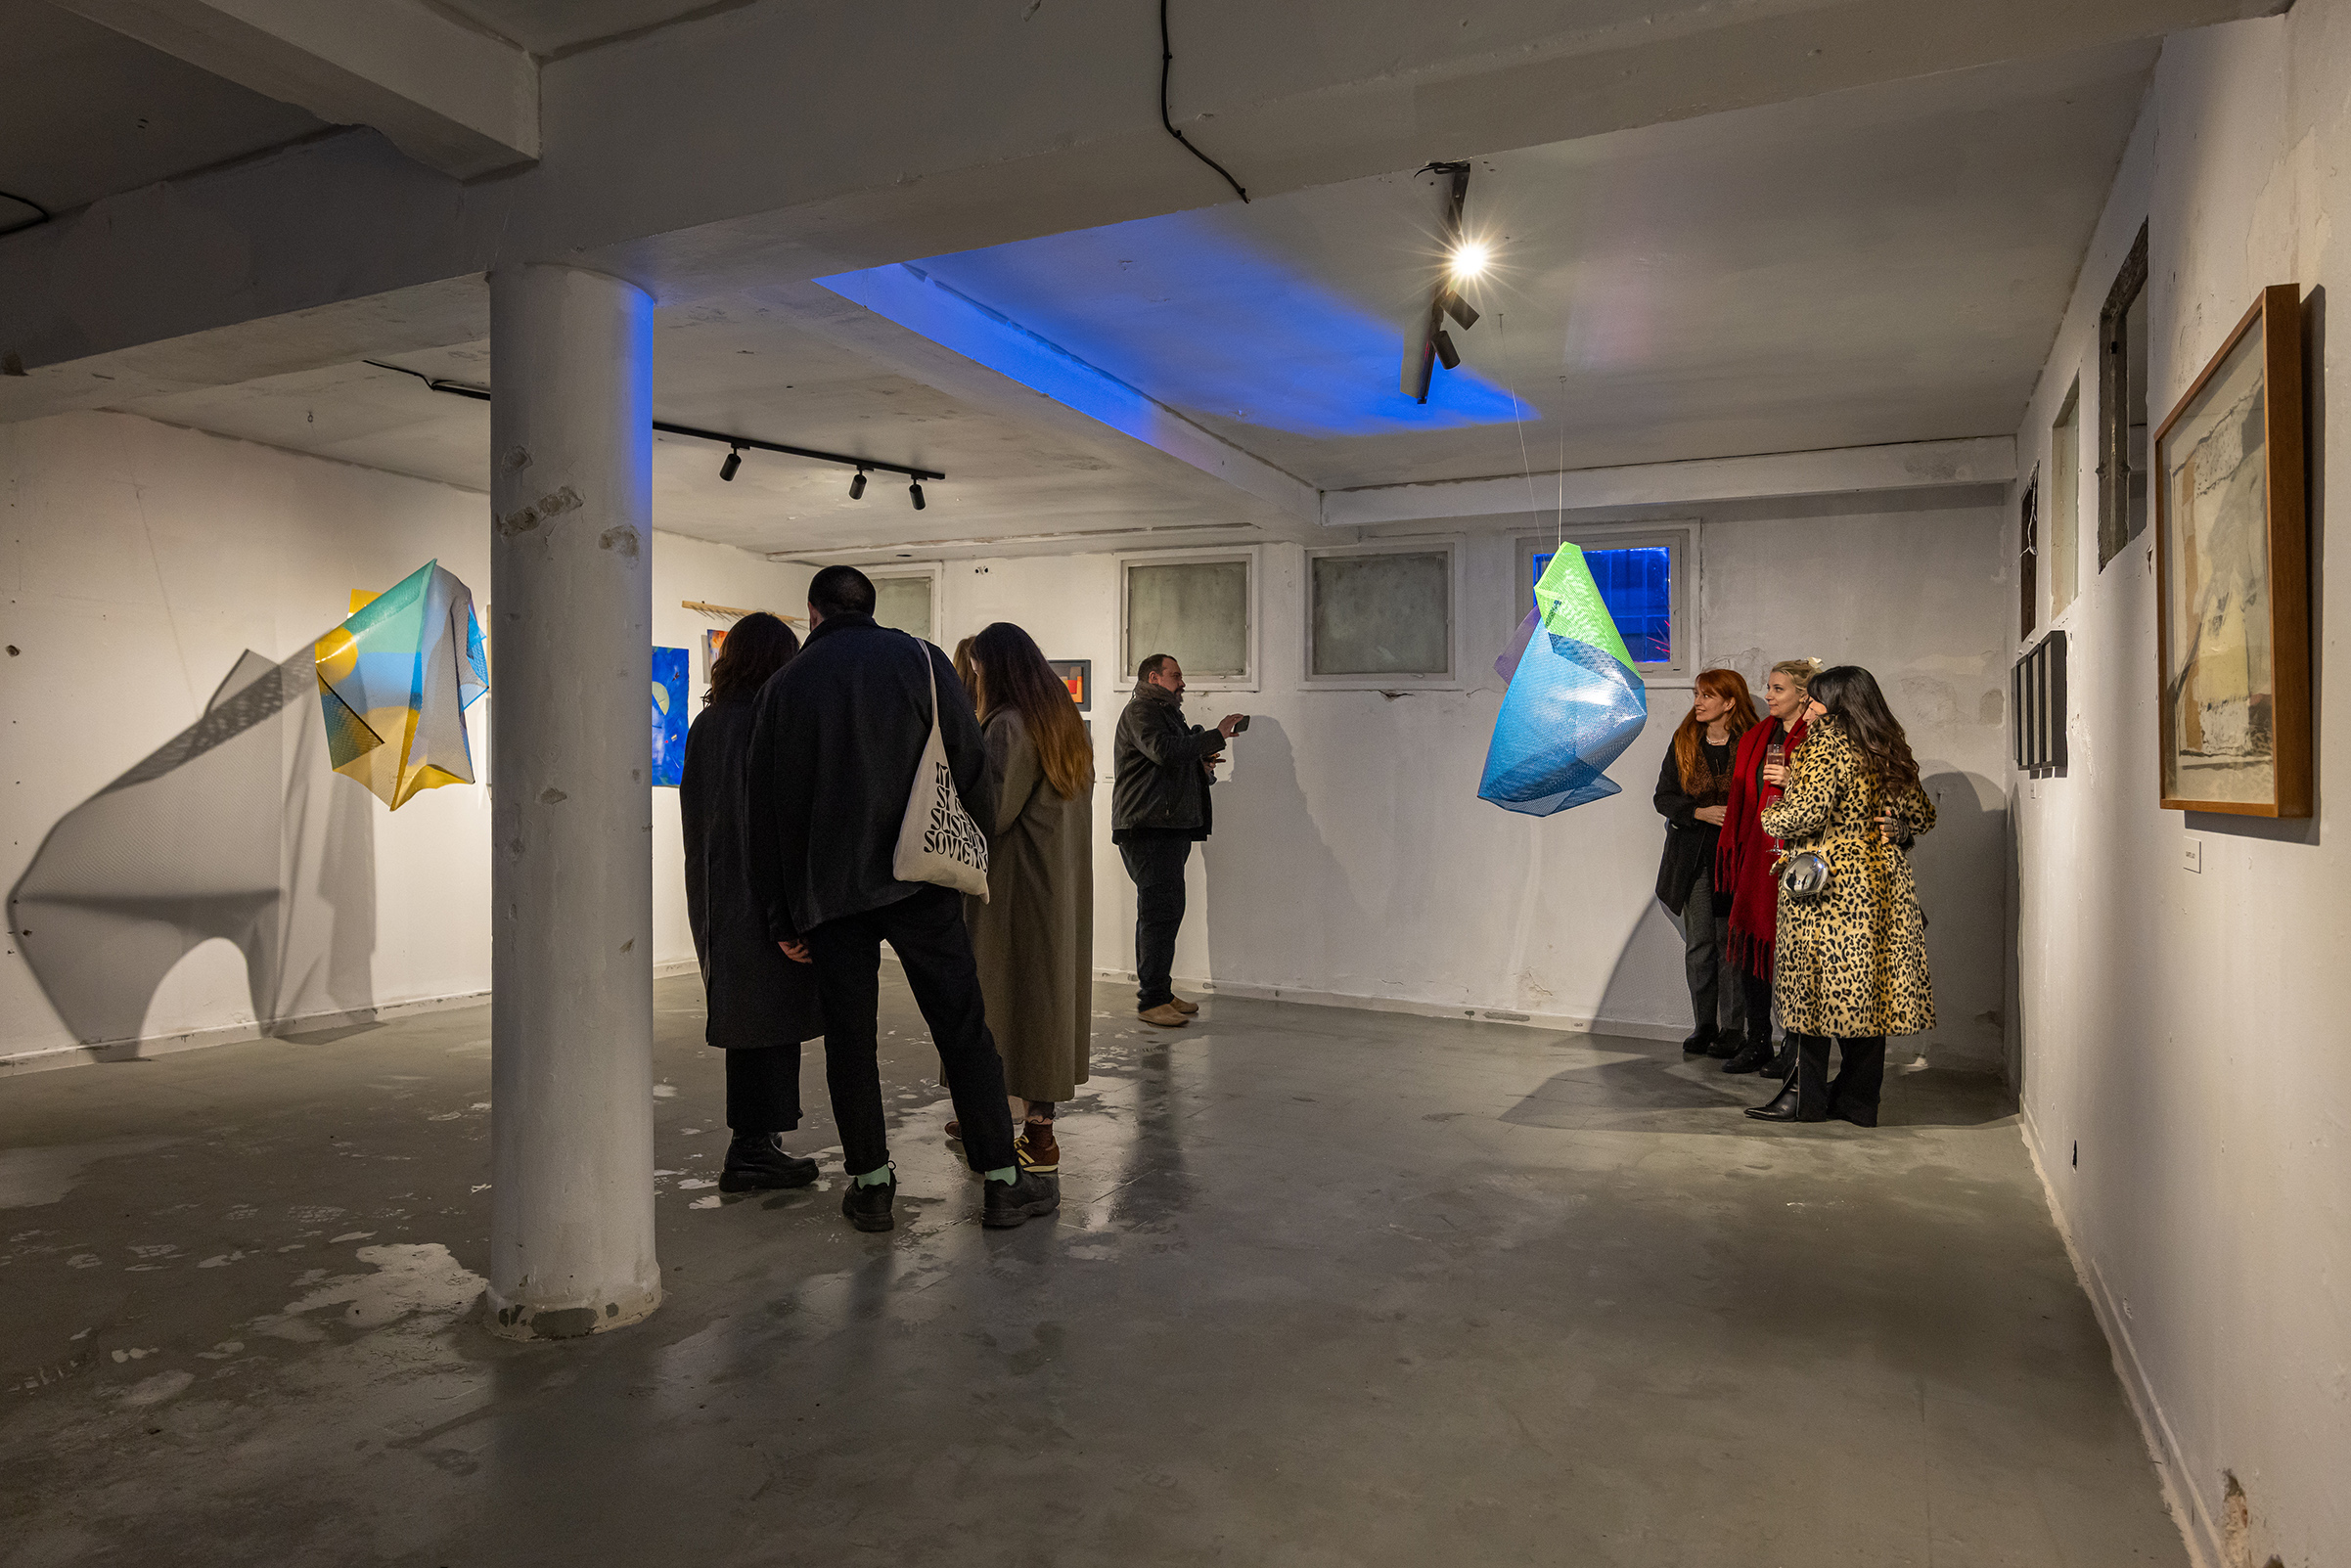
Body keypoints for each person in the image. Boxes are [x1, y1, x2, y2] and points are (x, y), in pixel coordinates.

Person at [745, 565, 1060, 1232]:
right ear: (870, 605)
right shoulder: (921, 660)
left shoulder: (783, 686)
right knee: (963, 1028)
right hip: (920, 878)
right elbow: (971, 764)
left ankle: (871, 1186)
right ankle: (1002, 1181)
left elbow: (764, 813)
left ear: (813, 612)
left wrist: (781, 913)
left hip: (830, 891)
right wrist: (970, 847)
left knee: (850, 1042)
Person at [1747, 665, 1936, 1125]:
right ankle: (1858, 1102)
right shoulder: (1887, 745)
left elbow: (1804, 816)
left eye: (1815, 699)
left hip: (1829, 889)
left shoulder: (1827, 743)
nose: (1809, 708)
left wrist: (1772, 811)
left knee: (1811, 993)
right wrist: (1899, 829)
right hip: (1881, 888)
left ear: (1835, 704)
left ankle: (1803, 1100)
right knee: (1866, 995)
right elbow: (1923, 816)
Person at [680, 612, 827, 1192]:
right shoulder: (767, 723)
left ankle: (758, 1140)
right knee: (767, 1023)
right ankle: (750, 1150)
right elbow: (775, 824)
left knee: (752, 1020)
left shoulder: (708, 723)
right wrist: (786, 916)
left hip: (719, 896)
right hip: (762, 897)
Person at [949, 622, 1094, 1175]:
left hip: (1013, 890)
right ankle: (1019, 1121)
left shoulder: (1009, 725)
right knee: (1044, 1003)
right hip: (1055, 888)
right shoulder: (1062, 721)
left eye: (978, 669)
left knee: (997, 1000)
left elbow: (991, 811)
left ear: (995, 669)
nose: (976, 678)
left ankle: (1026, 1133)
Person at [1110, 654, 1243, 1027]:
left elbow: (1170, 759)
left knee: (1167, 912)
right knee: (1158, 913)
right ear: (1154, 677)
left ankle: (1161, 992)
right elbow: (1164, 751)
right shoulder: (1141, 711)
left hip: (1166, 826)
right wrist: (1216, 735)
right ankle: (1151, 1001)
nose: (1182, 683)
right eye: (1176, 675)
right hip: (1147, 827)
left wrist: (1200, 766)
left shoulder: (1166, 713)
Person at [1713, 658, 1820, 1076]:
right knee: (1751, 946)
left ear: (1803, 695)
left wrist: (1796, 780)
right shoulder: (1757, 737)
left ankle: (1794, 1047)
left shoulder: (1817, 738)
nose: (1769, 696)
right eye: (1769, 687)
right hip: (1757, 855)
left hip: (1800, 859)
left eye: (1778, 689)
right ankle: (1758, 1040)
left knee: (1796, 956)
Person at [1653, 669, 1758, 1059]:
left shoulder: (1752, 743)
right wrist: (1699, 812)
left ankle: (1733, 1028)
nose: (1698, 702)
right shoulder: (1684, 741)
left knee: (1732, 945)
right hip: (1693, 859)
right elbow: (1663, 797)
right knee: (1700, 944)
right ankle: (1704, 1025)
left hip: (1737, 858)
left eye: (1707, 695)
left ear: (1729, 702)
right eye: (1697, 694)